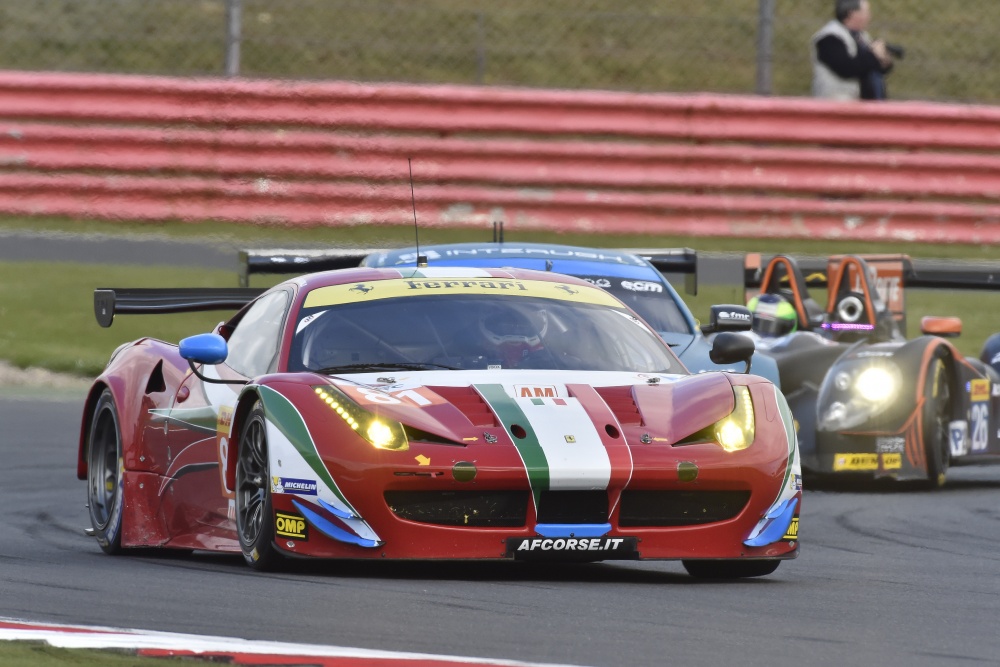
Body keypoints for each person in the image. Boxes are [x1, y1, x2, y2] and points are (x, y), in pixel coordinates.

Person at [811, 0, 894, 101]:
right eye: (865, 12)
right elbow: (847, 68)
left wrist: (884, 59)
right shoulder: (829, 38)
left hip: (863, 104)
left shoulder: (862, 36)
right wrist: (874, 55)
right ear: (852, 13)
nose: (869, 16)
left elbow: (875, 67)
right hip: (837, 104)